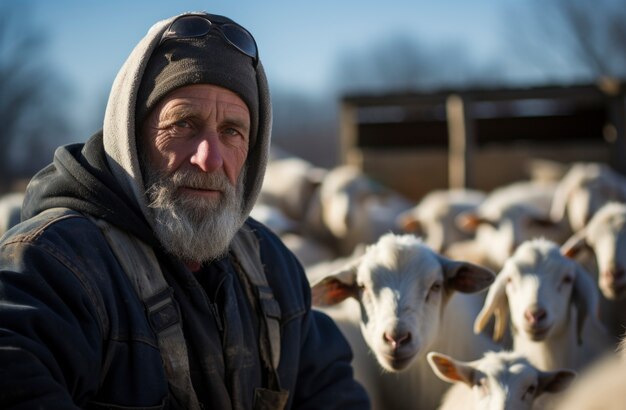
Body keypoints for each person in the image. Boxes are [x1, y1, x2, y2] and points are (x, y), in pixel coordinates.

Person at [0, 11, 370, 409]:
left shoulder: (271, 267)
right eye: (183, 125)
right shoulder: (54, 265)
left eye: (232, 131)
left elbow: (332, 391)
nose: (209, 158)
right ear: (130, 136)